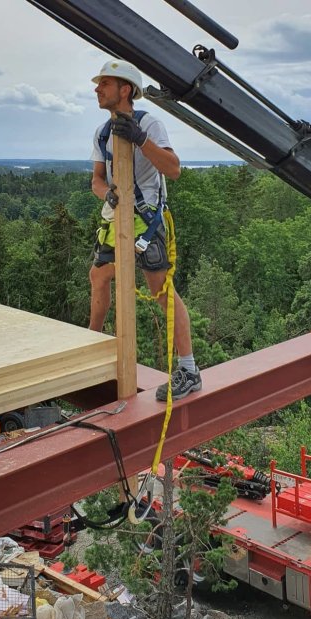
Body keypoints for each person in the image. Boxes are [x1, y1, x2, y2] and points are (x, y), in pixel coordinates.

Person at [88, 58, 202, 401]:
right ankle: (92, 342)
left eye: (104, 84)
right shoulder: (103, 131)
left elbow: (174, 168)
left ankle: (189, 368)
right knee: (99, 275)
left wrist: (139, 139)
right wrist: (104, 193)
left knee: (161, 291)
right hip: (116, 216)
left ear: (125, 90)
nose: (97, 89)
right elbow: (96, 179)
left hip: (146, 217)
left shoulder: (149, 124)